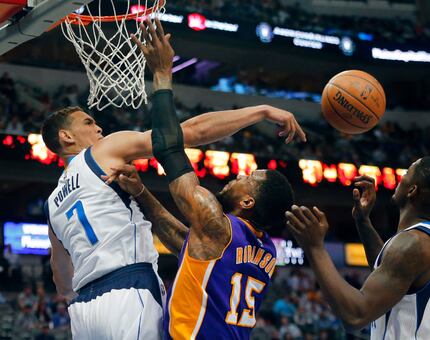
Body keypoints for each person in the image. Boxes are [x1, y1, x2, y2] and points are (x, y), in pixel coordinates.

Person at [43, 18, 305, 340]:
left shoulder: (52, 203)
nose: (98, 128)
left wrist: (140, 193)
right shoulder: (106, 149)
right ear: (67, 136)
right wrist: (260, 112)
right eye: (88, 122)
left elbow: (61, 279)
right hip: (128, 288)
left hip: (83, 309)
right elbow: (186, 135)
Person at [285, 158, 430, 339]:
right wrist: (363, 221)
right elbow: (388, 268)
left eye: (407, 172)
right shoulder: (419, 241)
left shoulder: (414, 243)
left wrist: (315, 248)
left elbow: (355, 316)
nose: (401, 176)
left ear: (412, 190)